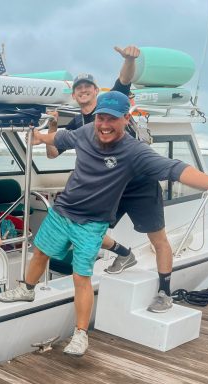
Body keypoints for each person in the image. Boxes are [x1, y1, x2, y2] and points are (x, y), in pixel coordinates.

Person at [0, 91, 208, 357]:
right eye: (101, 117)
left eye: (112, 119)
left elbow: (175, 168)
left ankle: (81, 334)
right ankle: (26, 290)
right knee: (40, 252)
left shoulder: (134, 152)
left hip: (92, 223)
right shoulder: (86, 132)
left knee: (81, 277)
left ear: (125, 119)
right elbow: (61, 137)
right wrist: (40, 137)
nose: (105, 124)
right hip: (63, 211)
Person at [47, 45, 176, 312]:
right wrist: (51, 127)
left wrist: (129, 59)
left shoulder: (115, 101)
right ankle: (124, 254)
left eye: (88, 87)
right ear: (74, 94)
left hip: (140, 184)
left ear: (96, 91)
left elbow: (125, 78)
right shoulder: (76, 125)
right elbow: (51, 153)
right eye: (78, 88)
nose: (83, 90)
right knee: (82, 229)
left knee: (158, 239)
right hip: (109, 189)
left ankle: (165, 291)